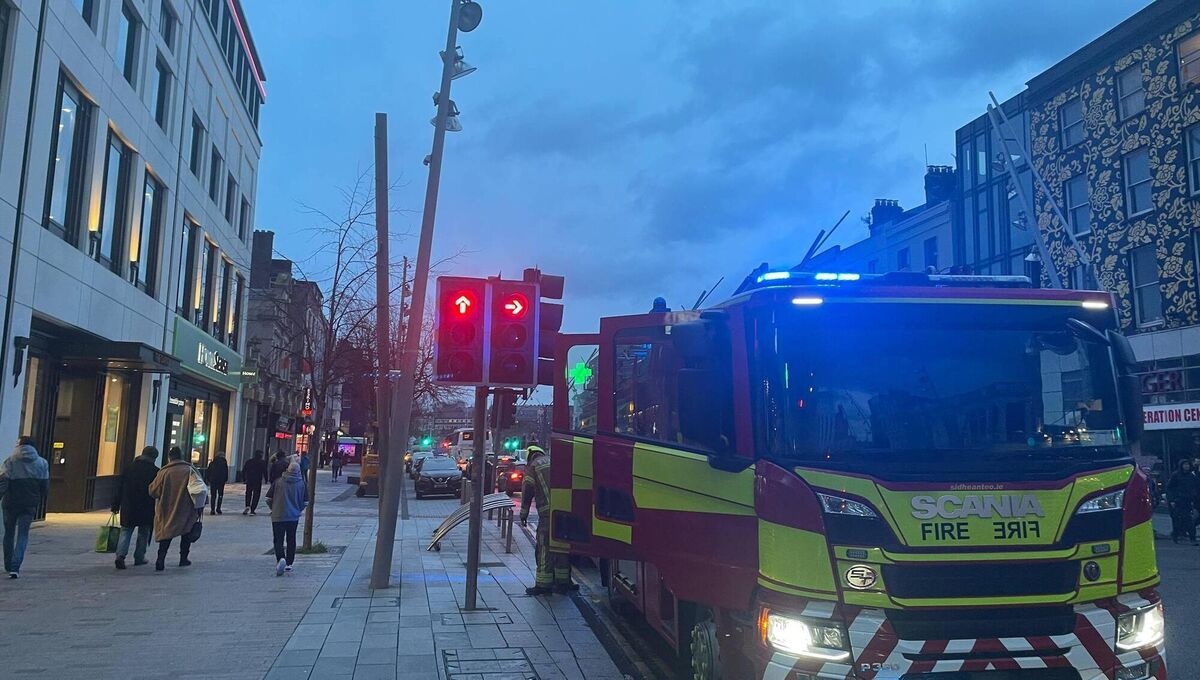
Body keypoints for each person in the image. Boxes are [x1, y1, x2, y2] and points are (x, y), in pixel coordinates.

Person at [519, 445, 572, 595]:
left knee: (544, 546)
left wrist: (524, 514)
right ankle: (563, 581)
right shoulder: (554, 461)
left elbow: (527, 491)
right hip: (565, 511)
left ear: (530, 456)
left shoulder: (533, 467)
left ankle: (543, 584)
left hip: (547, 513)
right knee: (562, 545)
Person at [0, 437, 49, 579]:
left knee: (8, 534)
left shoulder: (10, 461)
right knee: (23, 535)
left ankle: (8, 565)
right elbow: (44, 487)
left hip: (10, 503)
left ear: (20, 446)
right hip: (29, 504)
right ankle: (16, 567)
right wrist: (39, 499)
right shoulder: (42, 463)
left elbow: (3, 483)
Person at [149, 446, 201, 571]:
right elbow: (200, 490)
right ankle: (183, 558)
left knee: (166, 533)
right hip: (186, 508)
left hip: (167, 508)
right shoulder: (190, 470)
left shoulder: (164, 472)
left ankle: (160, 559)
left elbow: (153, 491)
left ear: (169, 457)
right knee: (186, 532)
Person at [110, 446, 159, 569]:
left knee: (126, 531)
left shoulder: (129, 468)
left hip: (128, 505)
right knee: (144, 532)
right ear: (153, 458)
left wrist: (116, 504)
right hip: (146, 506)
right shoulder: (155, 471)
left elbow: (119, 488)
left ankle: (120, 556)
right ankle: (139, 557)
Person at [268, 459, 308, 576]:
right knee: (291, 539)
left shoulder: (278, 482)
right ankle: (289, 563)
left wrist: (273, 507)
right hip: (293, 516)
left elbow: (268, 498)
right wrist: (298, 509)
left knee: (278, 539)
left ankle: (281, 558)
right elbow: (305, 502)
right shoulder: (302, 484)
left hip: (278, 515)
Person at [1167, 459, 1200, 545]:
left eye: (1188, 465)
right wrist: (1171, 500)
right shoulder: (1176, 475)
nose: (1186, 466)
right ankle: (1176, 535)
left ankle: (1192, 538)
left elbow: (1196, 488)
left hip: (1187, 501)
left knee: (1188, 519)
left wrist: (1194, 498)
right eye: (1185, 465)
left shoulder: (1192, 476)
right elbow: (1170, 488)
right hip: (1177, 500)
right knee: (1177, 519)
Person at [242, 450, 268, 515]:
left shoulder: (249, 461)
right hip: (258, 480)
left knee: (248, 493)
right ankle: (252, 509)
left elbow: (244, 470)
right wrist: (266, 479)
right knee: (256, 494)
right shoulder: (262, 462)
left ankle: (247, 505)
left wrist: (244, 478)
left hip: (249, 479)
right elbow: (265, 471)